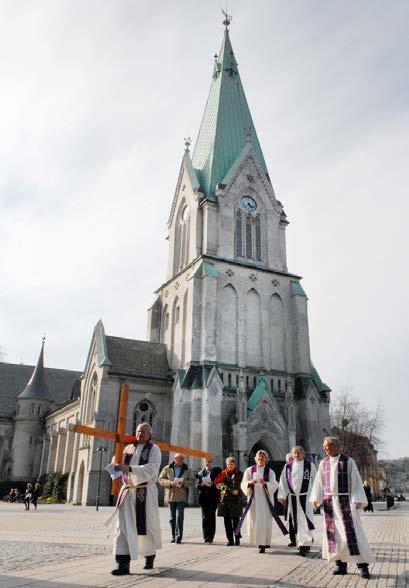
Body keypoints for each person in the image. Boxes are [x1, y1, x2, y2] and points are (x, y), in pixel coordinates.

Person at [310, 436, 374, 579]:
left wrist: (357, 499)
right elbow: (319, 482)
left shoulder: (348, 461)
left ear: (337, 447)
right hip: (329, 503)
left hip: (345, 501)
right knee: (335, 536)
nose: (325, 448)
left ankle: (362, 566)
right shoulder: (323, 463)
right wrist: (316, 498)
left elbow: (356, 481)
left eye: (328, 445)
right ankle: (340, 564)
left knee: (353, 535)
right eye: (324, 446)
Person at [111, 422, 162, 575]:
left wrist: (129, 468)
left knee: (146, 525)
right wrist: (116, 464)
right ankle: (122, 564)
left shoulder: (154, 449)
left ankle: (149, 556)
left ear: (150, 434)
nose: (140, 434)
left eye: (144, 432)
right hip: (127, 492)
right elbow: (118, 461)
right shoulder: (128, 448)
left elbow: (152, 469)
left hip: (144, 492)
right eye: (138, 431)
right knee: (122, 526)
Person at [239, 450, 281, 553]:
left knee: (265, 521)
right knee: (255, 521)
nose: (260, 459)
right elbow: (243, 484)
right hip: (254, 500)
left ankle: (264, 543)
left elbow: (275, 484)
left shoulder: (270, 472)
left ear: (266, 459)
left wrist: (265, 483)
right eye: (258, 457)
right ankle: (258, 542)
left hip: (265, 501)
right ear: (255, 458)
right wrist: (250, 482)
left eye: (262, 457)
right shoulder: (249, 470)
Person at [278, 446, 316, 556]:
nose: (296, 455)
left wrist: (316, 497)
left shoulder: (310, 466)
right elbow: (283, 482)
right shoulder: (288, 467)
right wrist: (282, 496)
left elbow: (316, 481)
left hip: (306, 498)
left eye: (298, 453)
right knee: (296, 522)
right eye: (294, 453)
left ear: (303, 454)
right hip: (293, 497)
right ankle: (301, 544)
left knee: (306, 520)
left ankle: (306, 544)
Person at [159, 453, 193, 544]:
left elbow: (192, 480)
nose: (180, 461)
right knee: (172, 518)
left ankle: (178, 536)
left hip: (181, 496)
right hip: (170, 496)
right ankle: (173, 536)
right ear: (174, 459)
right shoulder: (167, 468)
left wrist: (184, 483)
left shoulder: (187, 469)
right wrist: (170, 483)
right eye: (178, 459)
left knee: (179, 517)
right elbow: (161, 479)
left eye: (181, 459)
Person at [214, 456, 244, 546]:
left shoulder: (240, 474)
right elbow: (217, 484)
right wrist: (221, 487)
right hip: (225, 500)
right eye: (228, 464)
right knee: (227, 521)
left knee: (236, 521)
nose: (229, 466)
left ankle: (237, 539)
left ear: (234, 464)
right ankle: (230, 540)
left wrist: (238, 490)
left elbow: (243, 485)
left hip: (236, 500)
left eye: (231, 464)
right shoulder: (223, 473)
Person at [196, 457, 222, 544]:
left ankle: (210, 537)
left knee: (211, 516)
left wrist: (213, 483)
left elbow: (220, 480)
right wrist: (201, 484)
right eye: (206, 462)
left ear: (212, 462)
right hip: (203, 498)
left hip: (213, 498)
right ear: (204, 462)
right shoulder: (200, 473)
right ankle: (206, 537)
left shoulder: (216, 471)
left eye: (209, 462)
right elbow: (197, 485)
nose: (207, 463)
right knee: (204, 517)